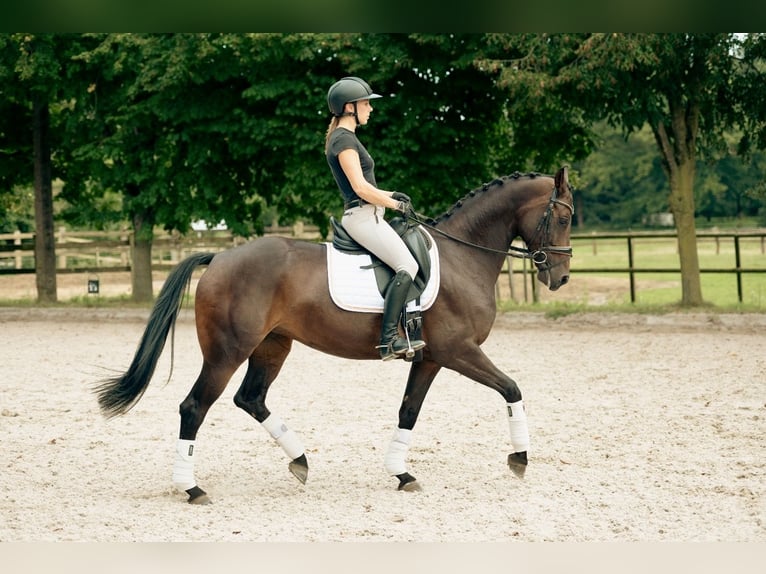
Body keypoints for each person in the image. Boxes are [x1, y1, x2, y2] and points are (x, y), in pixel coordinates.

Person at [325, 76, 426, 361]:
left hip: (371, 214)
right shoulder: (343, 140)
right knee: (407, 265)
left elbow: (367, 185)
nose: (370, 109)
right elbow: (360, 188)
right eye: (366, 103)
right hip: (361, 216)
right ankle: (389, 339)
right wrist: (394, 204)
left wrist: (393, 194)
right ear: (349, 107)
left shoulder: (346, 137)